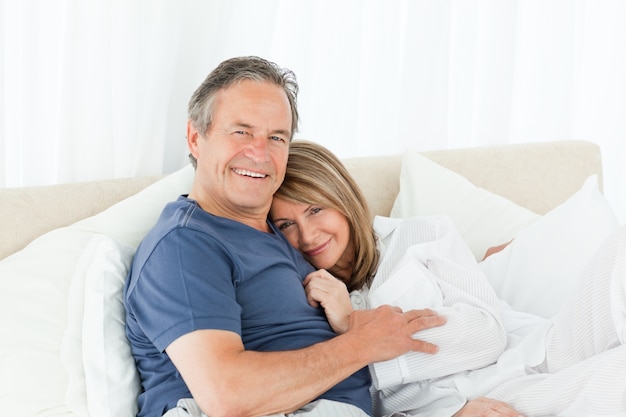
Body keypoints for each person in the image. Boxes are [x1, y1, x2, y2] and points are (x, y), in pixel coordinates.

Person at [123, 56, 447, 417]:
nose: (259, 153)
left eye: (276, 137)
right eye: (241, 131)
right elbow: (229, 396)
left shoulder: (285, 236)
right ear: (196, 139)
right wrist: (362, 343)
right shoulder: (185, 246)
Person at [270, 140, 626, 417]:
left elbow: (487, 333)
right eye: (286, 225)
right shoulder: (303, 301)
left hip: (546, 347)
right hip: (488, 398)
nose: (307, 234)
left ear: (342, 199)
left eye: (315, 210)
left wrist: (357, 328)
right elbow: (372, 402)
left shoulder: (423, 235)